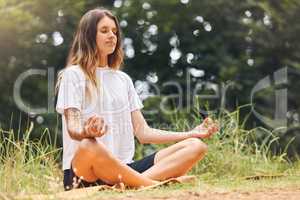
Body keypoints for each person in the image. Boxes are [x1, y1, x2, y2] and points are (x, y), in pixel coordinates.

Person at [56, 7, 219, 191]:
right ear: (88, 36)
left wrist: (191, 133)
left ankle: (129, 186)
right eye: (104, 31)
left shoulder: (123, 80)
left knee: (195, 146)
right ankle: (152, 184)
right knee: (89, 145)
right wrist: (86, 130)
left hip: (124, 169)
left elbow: (143, 132)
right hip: (86, 172)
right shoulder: (73, 75)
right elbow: (73, 126)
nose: (112, 36)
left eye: (114, 31)